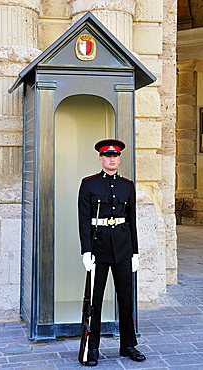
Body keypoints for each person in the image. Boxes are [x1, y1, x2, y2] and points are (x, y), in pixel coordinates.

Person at [78, 138, 146, 366]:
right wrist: (86, 251)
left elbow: (132, 221)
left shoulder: (127, 185)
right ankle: (93, 347)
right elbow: (84, 220)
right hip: (99, 250)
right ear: (101, 158)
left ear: (119, 158)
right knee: (94, 301)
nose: (112, 159)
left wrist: (135, 252)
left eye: (115, 156)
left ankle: (128, 345)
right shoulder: (89, 184)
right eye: (108, 156)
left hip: (123, 248)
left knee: (126, 300)